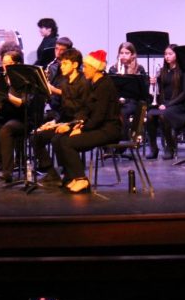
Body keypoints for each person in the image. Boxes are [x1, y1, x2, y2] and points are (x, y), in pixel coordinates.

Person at [51, 50, 122, 194]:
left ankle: (81, 178)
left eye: (86, 67)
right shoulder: (94, 84)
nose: (83, 69)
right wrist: (73, 125)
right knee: (58, 139)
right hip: (98, 126)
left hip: (108, 130)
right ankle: (71, 177)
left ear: (95, 68)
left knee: (67, 142)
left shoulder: (105, 86)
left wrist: (82, 129)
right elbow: (87, 109)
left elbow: (99, 116)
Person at [31, 48, 90, 182]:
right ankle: (51, 172)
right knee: (36, 137)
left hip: (78, 124)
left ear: (75, 65)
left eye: (65, 63)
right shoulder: (64, 82)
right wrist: (54, 121)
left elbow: (84, 110)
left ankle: (69, 174)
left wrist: (67, 125)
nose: (61, 67)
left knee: (57, 139)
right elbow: (63, 109)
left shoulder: (84, 83)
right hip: (65, 122)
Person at [0, 47, 34, 181]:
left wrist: (5, 95)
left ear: (17, 65)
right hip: (3, 117)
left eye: (8, 64)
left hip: (21, 118)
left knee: (6, 130)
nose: (5, 67)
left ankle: (7, 172)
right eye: (3, 63)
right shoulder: (0, 79)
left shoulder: (25, 80)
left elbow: (23, 103)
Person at [146, 44, 185, 159]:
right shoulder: (163, 71)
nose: (167, 56)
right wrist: (153, 82)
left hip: (179, 106)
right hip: (165, 104)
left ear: (177, 55)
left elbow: (184, 93)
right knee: (150, 115)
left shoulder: (184, 71)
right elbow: (159, 91)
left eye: (170, 54)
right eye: (165, 54)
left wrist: (168, 105)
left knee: (163, 116)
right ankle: (153, 148)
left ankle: (170, 147)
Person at [109, 40, 148, 131]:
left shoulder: (139, 69)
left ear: (132, 55)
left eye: (127, 53)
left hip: (132, 101)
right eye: (121, 53)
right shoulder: (113, 69)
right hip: (117, 101)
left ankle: (124, 139)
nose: (123, 55)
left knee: (122, 112)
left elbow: (143, 90)